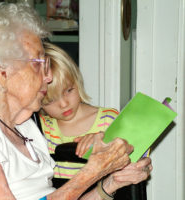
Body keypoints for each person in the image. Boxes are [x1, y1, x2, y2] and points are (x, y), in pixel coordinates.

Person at [0, 2, 148, 200]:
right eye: (38, 64)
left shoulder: (25, 127)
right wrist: (92, 172)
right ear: (3, 73)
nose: (48, 76)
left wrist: (111, 183)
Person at [40, 42, 152, 193]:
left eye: (69, 90)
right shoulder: (42, 128)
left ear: (77, 80)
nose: (64, 104)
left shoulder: (108, 119)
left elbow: (139, 156)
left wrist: (105, 141)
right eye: (51, 100)